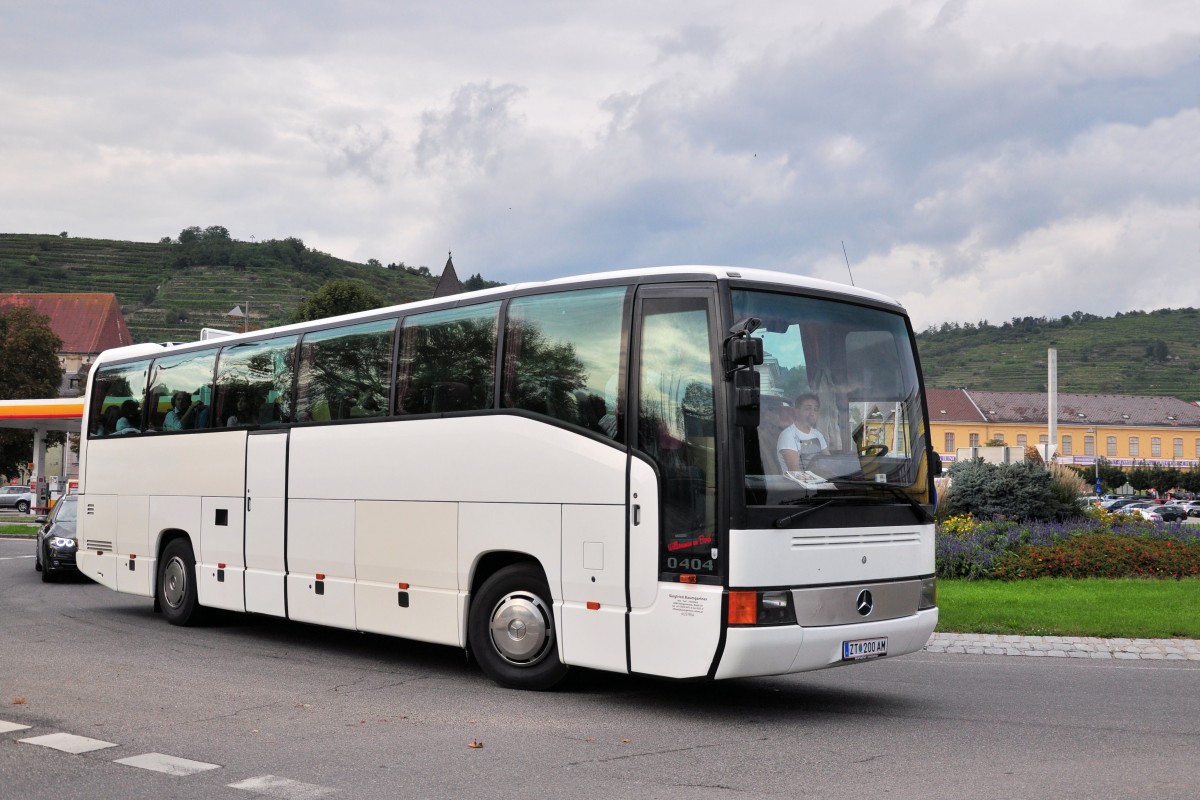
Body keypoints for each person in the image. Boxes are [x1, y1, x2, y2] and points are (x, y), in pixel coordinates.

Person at [776, 392, 830, 471]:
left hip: (819, 480)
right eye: (808, 408)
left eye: (815, 409)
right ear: (797, 411)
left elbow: (829, 461)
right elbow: (795, 471)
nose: (812, 413)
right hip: (797, 483)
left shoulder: (818, 434)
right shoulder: (788, 435)